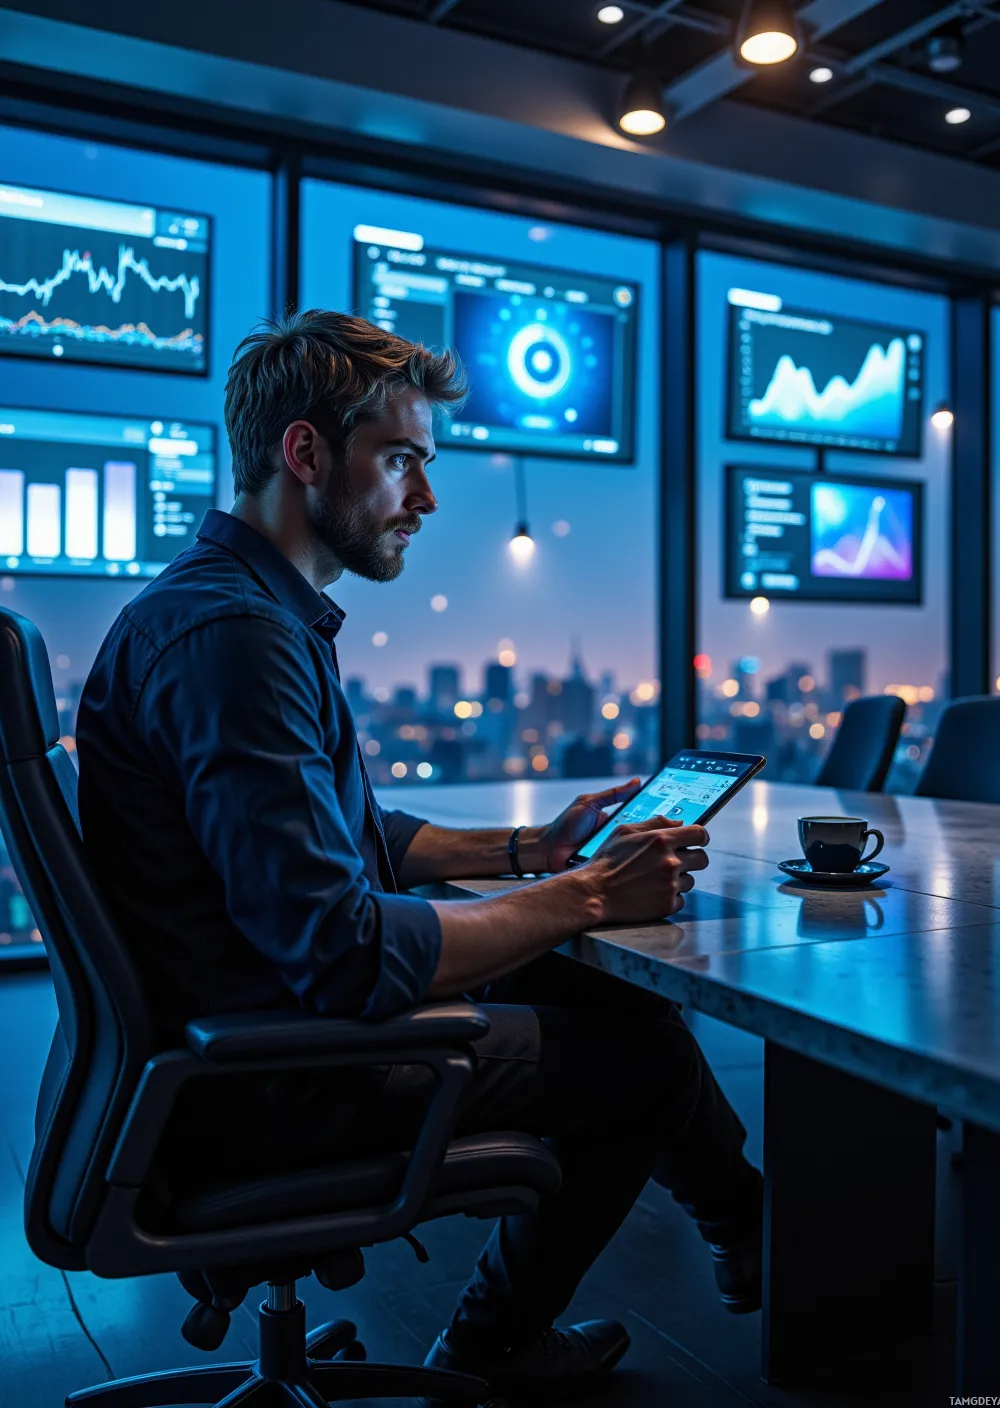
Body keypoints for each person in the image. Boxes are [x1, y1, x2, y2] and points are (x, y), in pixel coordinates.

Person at [76, 310, 763, 1403]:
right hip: (273, 1071)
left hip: (229, 1025)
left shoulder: (231, 609)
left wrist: (534, 847)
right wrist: (584, 892)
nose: (426, 498)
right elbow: (341, 950)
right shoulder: (237, 638)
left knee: (618, 1002)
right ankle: (501, 1338)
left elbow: (359, 834)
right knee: (649, 1065)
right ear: (305, 454)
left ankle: (751, 1227)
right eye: (402, 462)